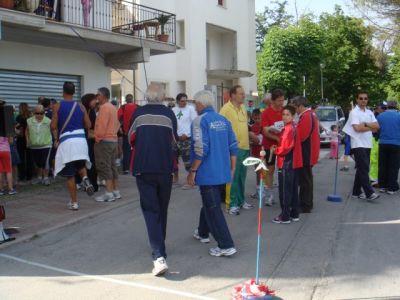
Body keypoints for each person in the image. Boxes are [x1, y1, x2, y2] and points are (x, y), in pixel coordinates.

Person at [128, 83, 177, 276]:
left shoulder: (138, 114)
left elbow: (131, 138)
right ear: (163, 96)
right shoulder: (168, 114)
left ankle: (158, 255)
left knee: (151, 210)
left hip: (143, 167)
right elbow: (173, 140)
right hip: (165, 168)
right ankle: (160, 248)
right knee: (161, 208)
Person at [187, 90, 238, 257]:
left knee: (213, 207)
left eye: (195, 103)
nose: (194, 106)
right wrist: (231, 168)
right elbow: (233, 146)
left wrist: (193, 170)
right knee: (210, 203)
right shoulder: (223, 120)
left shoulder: (199, 121)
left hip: (208, 172)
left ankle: (226, 245)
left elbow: (201, 148)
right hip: (222, 171)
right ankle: (202, 232)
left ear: (201, 103)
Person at [51, 81, 95, 210]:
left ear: (63, 91)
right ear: (74, 92)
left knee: (70, 175)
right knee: (80, 165)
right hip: (81, 141)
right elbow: (88, 125)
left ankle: (74, 203)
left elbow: (53, 126)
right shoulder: (81, 106)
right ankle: (85, 178)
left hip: (67, 142)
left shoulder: (58, 106)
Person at [220, 85, 254, 215]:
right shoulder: (225, 109)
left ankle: (240, 200)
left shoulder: (243, 108)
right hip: (233, 149)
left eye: (243, 93)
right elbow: (221, 129)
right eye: (241, 93)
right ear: (233, 95)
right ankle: (231, 203)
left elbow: (244, 126)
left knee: (241, 177)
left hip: (245, 147)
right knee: (233, 176)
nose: (243, 96)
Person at [343, 91, 380, 201]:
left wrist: (366, 124)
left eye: (365, 98)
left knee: (361, 168)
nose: (363, 100)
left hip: (368, 143)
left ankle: (356, 192)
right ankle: (369, 193)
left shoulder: (369, 112)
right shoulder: (354, 112)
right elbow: (357, 129)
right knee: (364, 168)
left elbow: (377, 126)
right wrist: (370, 127)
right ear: (357, 100)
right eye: (361, 98)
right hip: (358, 143)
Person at [271, 105, 302, 224]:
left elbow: (285, 147)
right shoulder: (294, 126)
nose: (284, 116)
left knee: (285, 190)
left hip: (286, 162)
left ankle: (284, 216)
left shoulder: (289, 128)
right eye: (283, 114)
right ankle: (294, 213)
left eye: (287, 114)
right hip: (293, 162)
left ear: (293, 115)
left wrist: (276, 150)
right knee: (293, 189)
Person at [292, 96, 320, 213]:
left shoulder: (307, 116)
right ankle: (306, 203)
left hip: (307, 152)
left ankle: (305, 205)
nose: (295, 110)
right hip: (310, 151)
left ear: (300, 106)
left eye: (295, 107)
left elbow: (302, 136)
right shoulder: (310, 115)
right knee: (306, 179)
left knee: (305, 181)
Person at [94, 87, 121, 202]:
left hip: (104, 141)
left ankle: (109, 193)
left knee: (105, 166)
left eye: (98, 95)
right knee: (112, 166)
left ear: (103, 96)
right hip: (113, 140)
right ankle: (115, 191)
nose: (97, 97)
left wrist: (97, 138)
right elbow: (118, 124)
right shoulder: (113, 107)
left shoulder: (104, 108)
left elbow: (101, 126)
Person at [261, 89, 285, 206]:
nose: (282, 102)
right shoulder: (266, 113)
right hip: (269, 146)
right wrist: (276, 138)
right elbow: (265, 131)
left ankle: (284, 194)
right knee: (270, 170)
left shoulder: (284, 111)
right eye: (279, 100)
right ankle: (270, 195)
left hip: (283, 145)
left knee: (283, 169)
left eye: (283, 100)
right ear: (273, 101)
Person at [172, 93, 197, 188]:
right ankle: (176, 178)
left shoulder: (190, 109)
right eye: (182, 101)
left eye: (186, 100)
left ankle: (190, 181)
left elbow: (195, 123)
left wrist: (187, 134)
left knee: (188, 161)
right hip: (176, 139)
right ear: (177, 101)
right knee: (173, 159)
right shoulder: (173, 110)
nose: (184, 102)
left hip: (187, 138)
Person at [377, 100, 400, 195]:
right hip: (396, 143)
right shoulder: (399, 116)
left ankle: (382, 186)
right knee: (393, 166)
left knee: (382, 165)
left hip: (382, 143)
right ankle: (391, 187)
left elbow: (377, 129)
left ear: (387, 106)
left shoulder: (380, 116)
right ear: (396, 106)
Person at [26, 105, 52, 186]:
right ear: (34, 113)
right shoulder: (29, 121)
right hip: (34, 145)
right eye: (37, 113)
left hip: (46, 144)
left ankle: (46, 178)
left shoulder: (48, 121)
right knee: (37, 163)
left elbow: (54, 130)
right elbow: (26, 131)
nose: (40, 115)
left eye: (42, 113)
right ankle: (39, 177)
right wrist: (27, 140)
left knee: (45, 162)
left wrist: (55, 139)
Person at [81, 93, 99, 192]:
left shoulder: (90, 110)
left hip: (90, 139)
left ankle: (93, 184)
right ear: (88, 100)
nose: (95, 102)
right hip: (85, 139)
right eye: (93, 100)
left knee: (91, 162)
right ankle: (89, 183)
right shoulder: (84, 110)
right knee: (87, 162)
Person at [118, 94, 138, 175]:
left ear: (126, 100)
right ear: (132, 99)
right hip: (136, 132)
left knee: (126, 151)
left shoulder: (122, 107)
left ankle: (126, 169)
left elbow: (118, 118)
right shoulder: (138, 107)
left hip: (126, 133)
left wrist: (121, 128)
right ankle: (135, 167)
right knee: (136, 149)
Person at [249, 109, 266, 199]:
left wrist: (252, 141)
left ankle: (261, 191)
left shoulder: (263, 127)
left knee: (261, 172)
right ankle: (258, 189)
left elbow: (260, 140)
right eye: (255, 118)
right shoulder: (253, 127)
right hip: (255, 152)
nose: (257, 120)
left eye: (259, 118)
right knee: (257, 172)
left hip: (261, 152)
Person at [16, 102, 33, 183]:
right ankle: (29, 175)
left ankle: (22, 176)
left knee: (21, 158)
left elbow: (17, 127)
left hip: (21, 139)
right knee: (29, 158)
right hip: (30, 138)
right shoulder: (31, 117)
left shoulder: (19, 117)